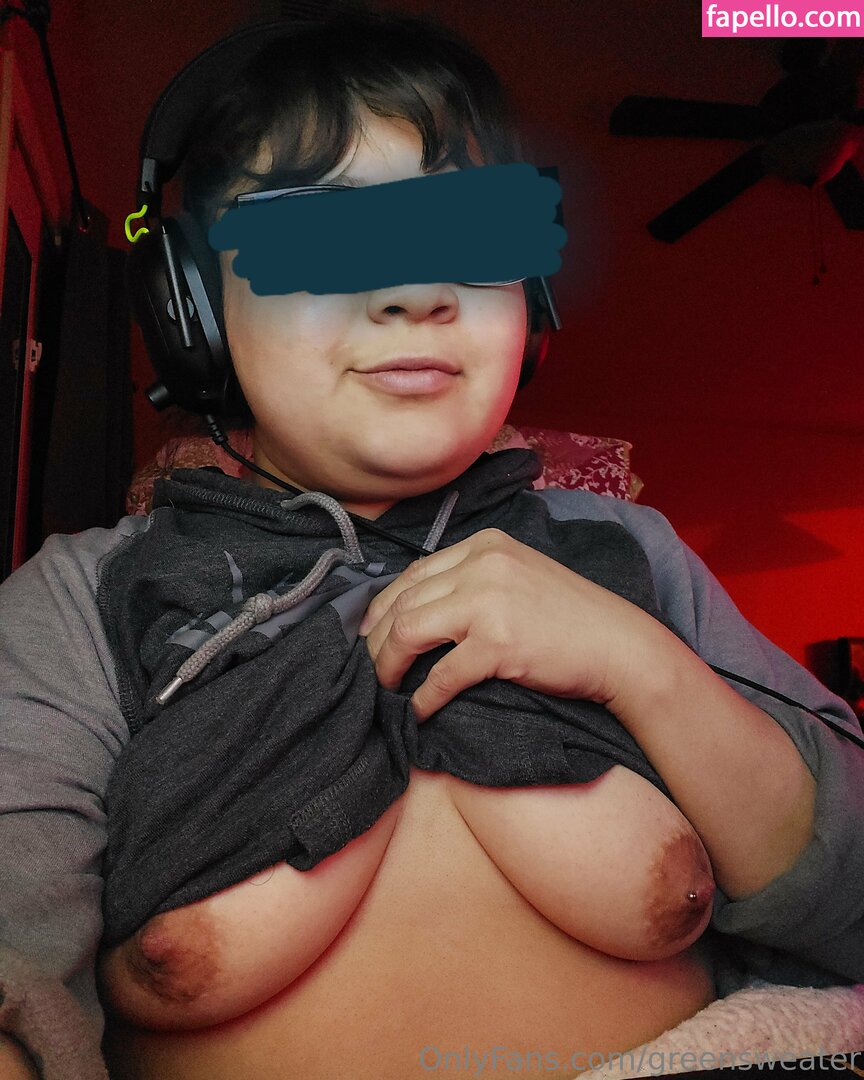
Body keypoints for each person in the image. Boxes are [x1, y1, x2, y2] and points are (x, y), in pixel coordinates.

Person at [1, 6, 863, 1080]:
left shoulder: (635, 553)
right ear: (195, 306)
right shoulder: (76, 604)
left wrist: (643, 667)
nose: (416, 292)